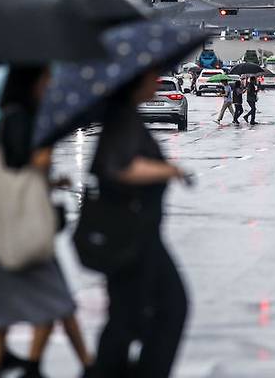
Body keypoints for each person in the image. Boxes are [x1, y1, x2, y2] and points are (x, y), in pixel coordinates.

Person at [0, 65, 93, 378]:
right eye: (44, 79)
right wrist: (48, 144)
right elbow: (31, 163)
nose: (49, 84)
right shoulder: (21, 118)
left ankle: (10, 364)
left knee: (3, 306)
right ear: (31, 83)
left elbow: (14, 171)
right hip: (24, 228)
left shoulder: (7, 117)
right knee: (58, 301)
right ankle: (78, 365)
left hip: (6, 226)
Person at [91, 69, 189, 378]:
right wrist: (168, 171)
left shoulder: (127, 117)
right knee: (160, 309)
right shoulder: (121, 120)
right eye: (150, 77)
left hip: (140, 233)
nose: (156, 81)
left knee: (135, 315)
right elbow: (121, 169)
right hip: (129, 235)